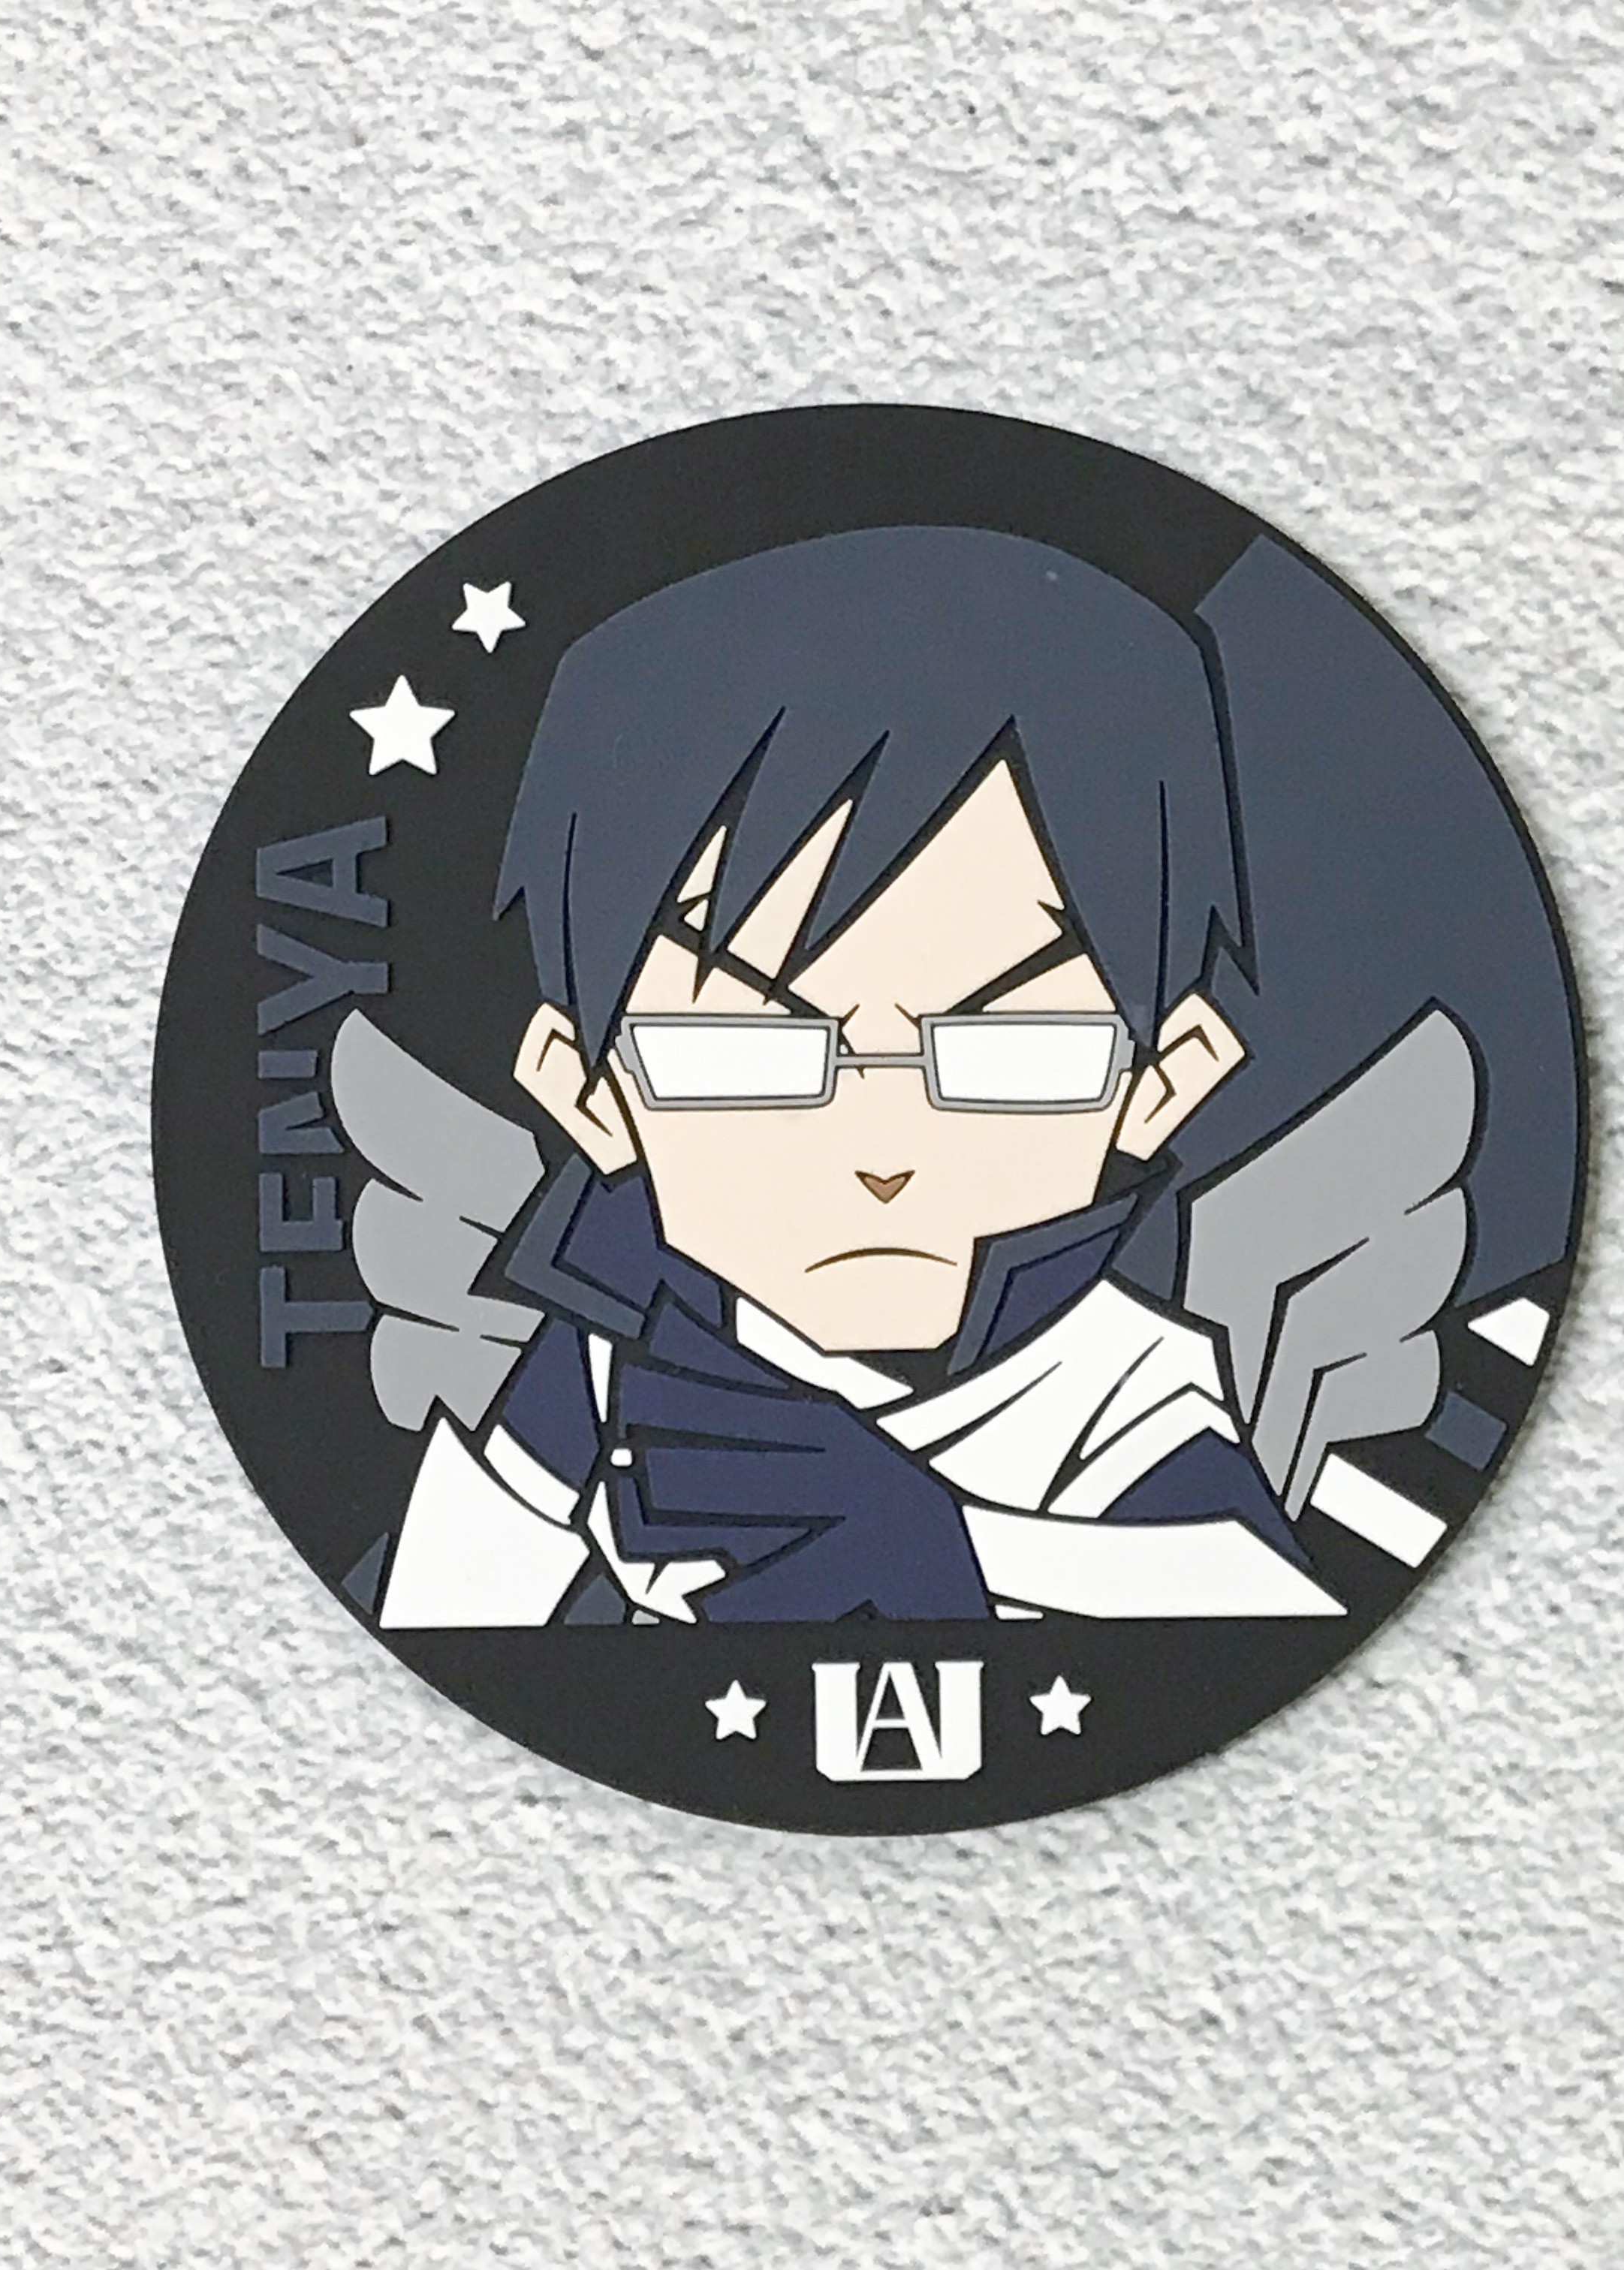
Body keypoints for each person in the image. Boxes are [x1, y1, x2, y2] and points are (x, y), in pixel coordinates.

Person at [362, 526, 1363, 1626]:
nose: (883, 1153)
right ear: (588, 1093)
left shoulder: (1114, 1381)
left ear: (1165, 1080)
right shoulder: (608, 1357)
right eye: (749, 1056)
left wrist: (953, 1548)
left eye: (1007, 1052)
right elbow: (454, 1606)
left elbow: (1255, 1614)